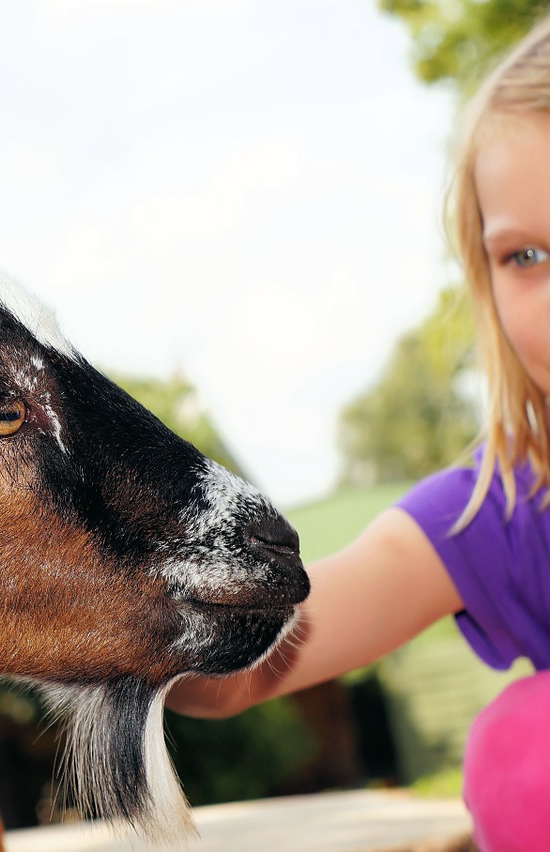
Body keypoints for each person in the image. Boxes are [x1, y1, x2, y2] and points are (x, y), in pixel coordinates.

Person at [167, 15, 550, 851]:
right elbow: (242, 673)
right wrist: (67, 595)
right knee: (526, 759)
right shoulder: (500, 510)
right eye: (527, 257)